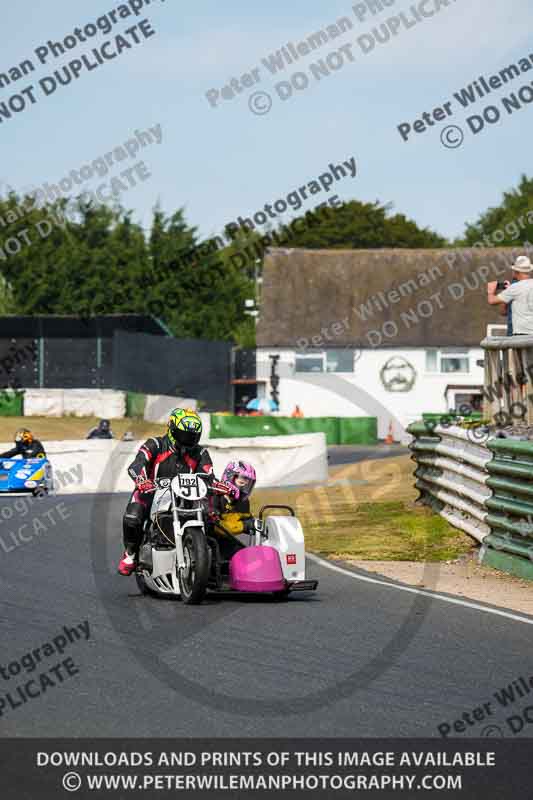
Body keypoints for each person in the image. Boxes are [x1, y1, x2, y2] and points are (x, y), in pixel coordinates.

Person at [118, 407, 216, 576]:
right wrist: (142, 481)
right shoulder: (155, 444)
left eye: (193, 436)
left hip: (186, 496)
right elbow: (137, 464)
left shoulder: (201, 452)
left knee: (211, 513)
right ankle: (131, 553)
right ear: (172, 429)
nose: (189, 440)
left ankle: (206, 558)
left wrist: (217, 486)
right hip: (152, 492)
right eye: (184, 434)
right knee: (133, 515)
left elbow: (208, 475)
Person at [488, 256, 533, 334]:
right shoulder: (513, 288)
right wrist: (508, 293)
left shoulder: (514, 288)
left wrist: (490, 291)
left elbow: (492, 301)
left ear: (516, 271)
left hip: (521, 334)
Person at [214, 461, 257, 538]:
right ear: (229, 477)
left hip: (232, 542)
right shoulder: (215, 496)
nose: (243, 489)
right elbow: (216, 527)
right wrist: (243, 526)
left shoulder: (244, 502)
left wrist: (255, 526)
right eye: (241, 483)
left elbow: (250, 522)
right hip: (211, 542)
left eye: (246, 486)